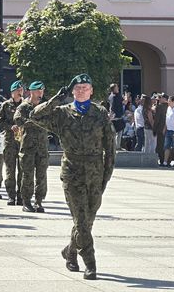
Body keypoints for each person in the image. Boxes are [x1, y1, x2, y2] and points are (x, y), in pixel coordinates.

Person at [31, 73, 115, 280]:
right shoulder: (62, 113)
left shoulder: (100, 113)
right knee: (81, 219)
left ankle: (70, 251)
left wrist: (107, 174)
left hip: (95, 170)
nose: (81, 91)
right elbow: (35, 116)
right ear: (72, 91)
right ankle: (91, 263)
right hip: (72, 170)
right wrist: (57, 98)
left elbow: (110, 146)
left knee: (88, 219)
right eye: (77, 88)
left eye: (85, 88)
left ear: (92, 91)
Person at [14, 81, 49, 212]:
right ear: (31, 92)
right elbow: (18, 120)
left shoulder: (45, 107)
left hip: (42, 147)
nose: (41, 93)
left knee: (41, 176)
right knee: (27, 175)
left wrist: (36, 122)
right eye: (38, 91)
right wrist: (35, 122)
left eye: (42, 90)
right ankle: (26, 201)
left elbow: (50, 121)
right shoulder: (24, 107)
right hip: (27, 147)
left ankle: (39, 201)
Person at [0, 80, 24, 206]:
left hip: (23, 141)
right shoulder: (6, 105)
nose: (20, 92)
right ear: (12, 92)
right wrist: (9, 127)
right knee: (10, 169)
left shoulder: (26, 105)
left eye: (21, 90)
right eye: (18, 90)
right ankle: (11, 195)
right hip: (10, 141)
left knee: (23, 170)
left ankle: (21, 196)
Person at [108, 84, 125, 149]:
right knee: (118, 132)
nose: (118, 88)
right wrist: (113, 114)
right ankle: (116, 147)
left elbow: (123, 102)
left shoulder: (112, 96)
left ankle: (116, 146)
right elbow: (112, 107)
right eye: (117, 87)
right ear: (114, 89)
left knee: (117, 133)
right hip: (116, 117)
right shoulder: (114, 96)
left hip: (116, 116)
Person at [154, 94, 168, 164]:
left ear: (164, 99)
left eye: (161, 98)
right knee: (167, 145)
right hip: (168, 129)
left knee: (160, 145)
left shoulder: (159, 107)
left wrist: (154, 129)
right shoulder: (170, 106)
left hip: (160, 129)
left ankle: (162, 160)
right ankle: (167, 160)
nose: (160, 99)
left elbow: (157, 119)